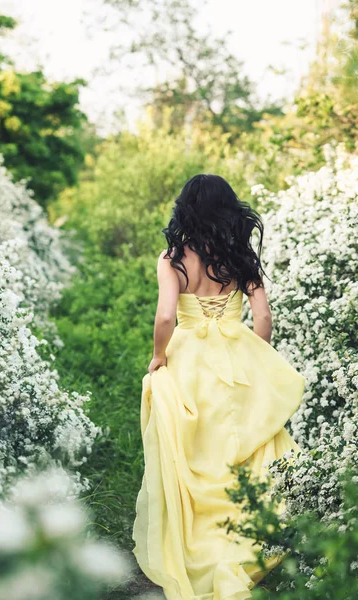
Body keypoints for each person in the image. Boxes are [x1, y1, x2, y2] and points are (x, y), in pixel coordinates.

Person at [131, 174, 306, 600]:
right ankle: (252, 536)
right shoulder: (240, 257)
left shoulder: (172, 258)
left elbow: (167, 318)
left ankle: (201, 542)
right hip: (237, 356)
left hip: (189, 359)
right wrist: (254, 355)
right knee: (243, 445)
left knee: (197, 450)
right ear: (229, 209)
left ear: (186, 208)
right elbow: (262, 318)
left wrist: (159, 357)